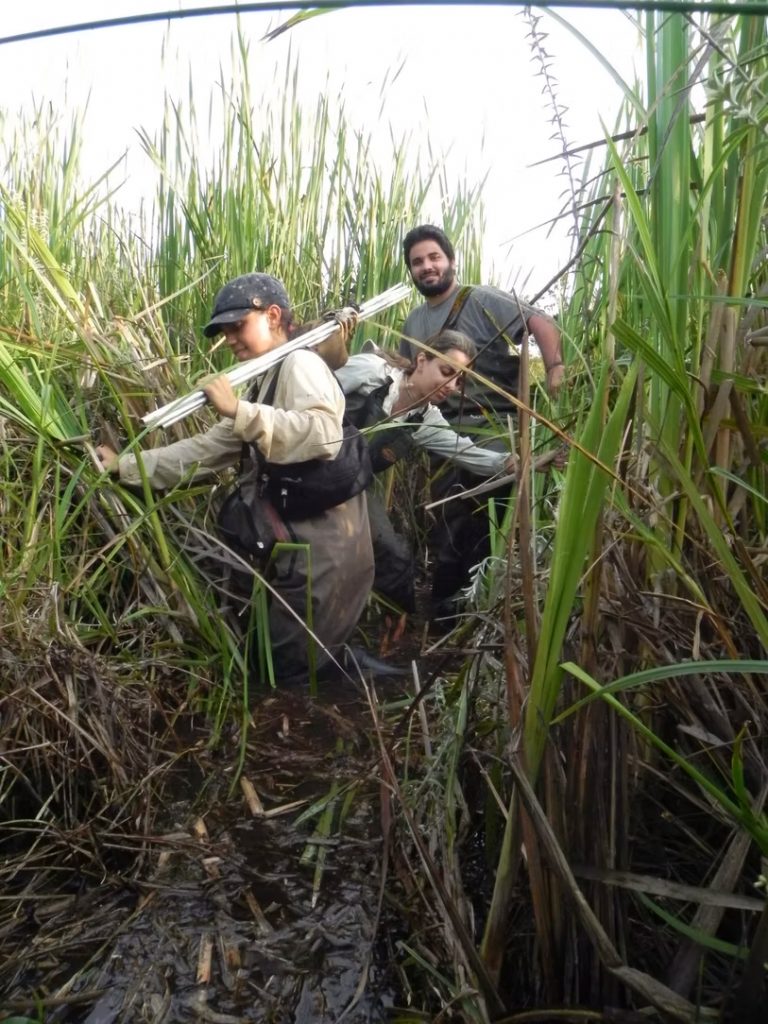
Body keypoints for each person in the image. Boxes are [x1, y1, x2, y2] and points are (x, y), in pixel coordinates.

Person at [96, 272, 375, 686]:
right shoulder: (266, 377)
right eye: (224, 331)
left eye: (237, 325)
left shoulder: (301, 363)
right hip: (305, 545)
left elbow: (322, 436)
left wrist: (236, 412)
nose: (229, 339)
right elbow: (204, 451)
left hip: (327, 548)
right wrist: (125, 465)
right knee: (294, 663)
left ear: (273, 316)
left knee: (298, 674)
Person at [400, 224, 565, 621]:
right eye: (418, 262)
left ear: (451, 261)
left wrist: (556, 367)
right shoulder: (412, 324)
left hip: (492, 427)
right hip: (440, 433)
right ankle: (448, 617)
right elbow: (409, 379)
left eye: (434, 257)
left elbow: (539, 321)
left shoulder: (481, 299)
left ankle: (486, 617)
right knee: (449, 526)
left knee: (487, 528)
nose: (427, 267)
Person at [335, 329, 512, 618]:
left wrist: (512, 462)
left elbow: (466, 453)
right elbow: (308, 389)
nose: (452, 386)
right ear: (421, 360)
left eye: (459, 380)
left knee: (396, 555)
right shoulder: (372, 372)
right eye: (446, 371)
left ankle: (400, 623)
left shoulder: (426, 419)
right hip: (313, 466)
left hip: (352, 484)